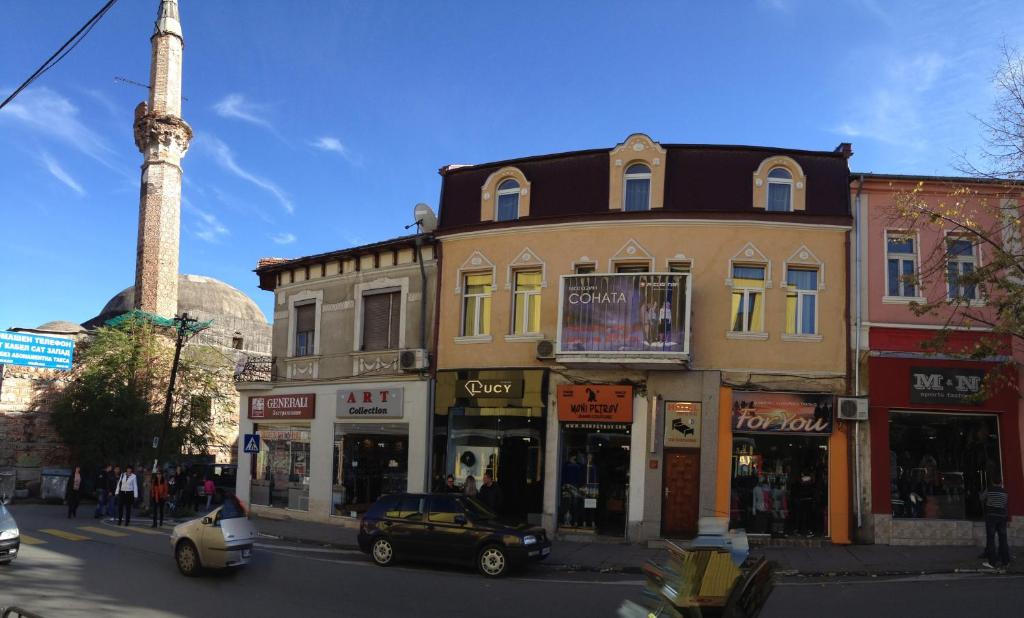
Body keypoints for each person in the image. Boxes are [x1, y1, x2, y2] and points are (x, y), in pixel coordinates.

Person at [982, 477, 1011, 569]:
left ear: (992, 481)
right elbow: (1005, 504)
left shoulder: (989, 490)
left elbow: (982, 498)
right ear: (1001, 482)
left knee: (991, 539)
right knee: (1003, 539)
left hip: (991, 516)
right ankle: (1005, 561)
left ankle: (992, 562)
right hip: (1002, 517)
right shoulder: (1005, 492)